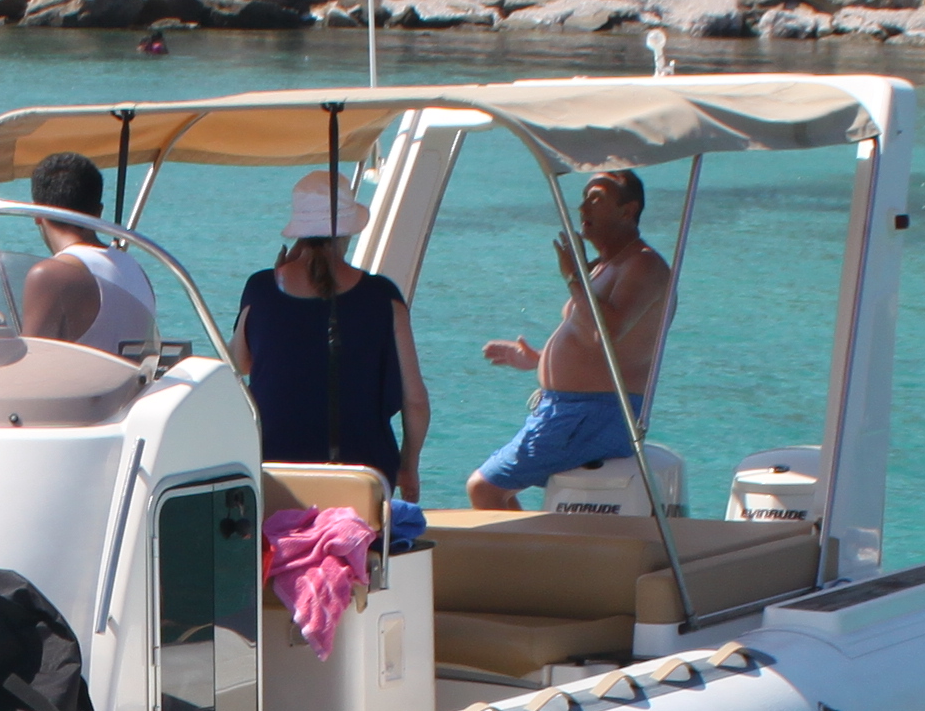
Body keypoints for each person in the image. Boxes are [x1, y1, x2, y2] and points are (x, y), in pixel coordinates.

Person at [470, 163, 680, 509]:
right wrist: (538, 360)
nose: (583, 209)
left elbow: (607, 332)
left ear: (628, 211)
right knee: (490, 488)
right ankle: (529, 559)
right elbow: (593, 341)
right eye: (583, 199)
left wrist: (573, 276)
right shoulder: (604, 266)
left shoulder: (642, 265)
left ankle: (522, 564)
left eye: (596, 200)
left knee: (484, 488)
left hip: (595, 414)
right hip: (572, 411)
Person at [230, 169, 430, 498]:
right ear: (347, 232)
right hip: (365, 474)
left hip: (276, 472)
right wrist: (408, 467)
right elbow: (416, 401)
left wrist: (273, 277)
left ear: (299, 233)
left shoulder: (261, 287)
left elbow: (242, 363)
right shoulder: (383, 297)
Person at [17, 151, 158, 354]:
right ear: (98, 212)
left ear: (38, 213)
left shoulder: (50, 275)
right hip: (136, 385)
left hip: (82, 386)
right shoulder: (134, 268)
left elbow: (29, 364)